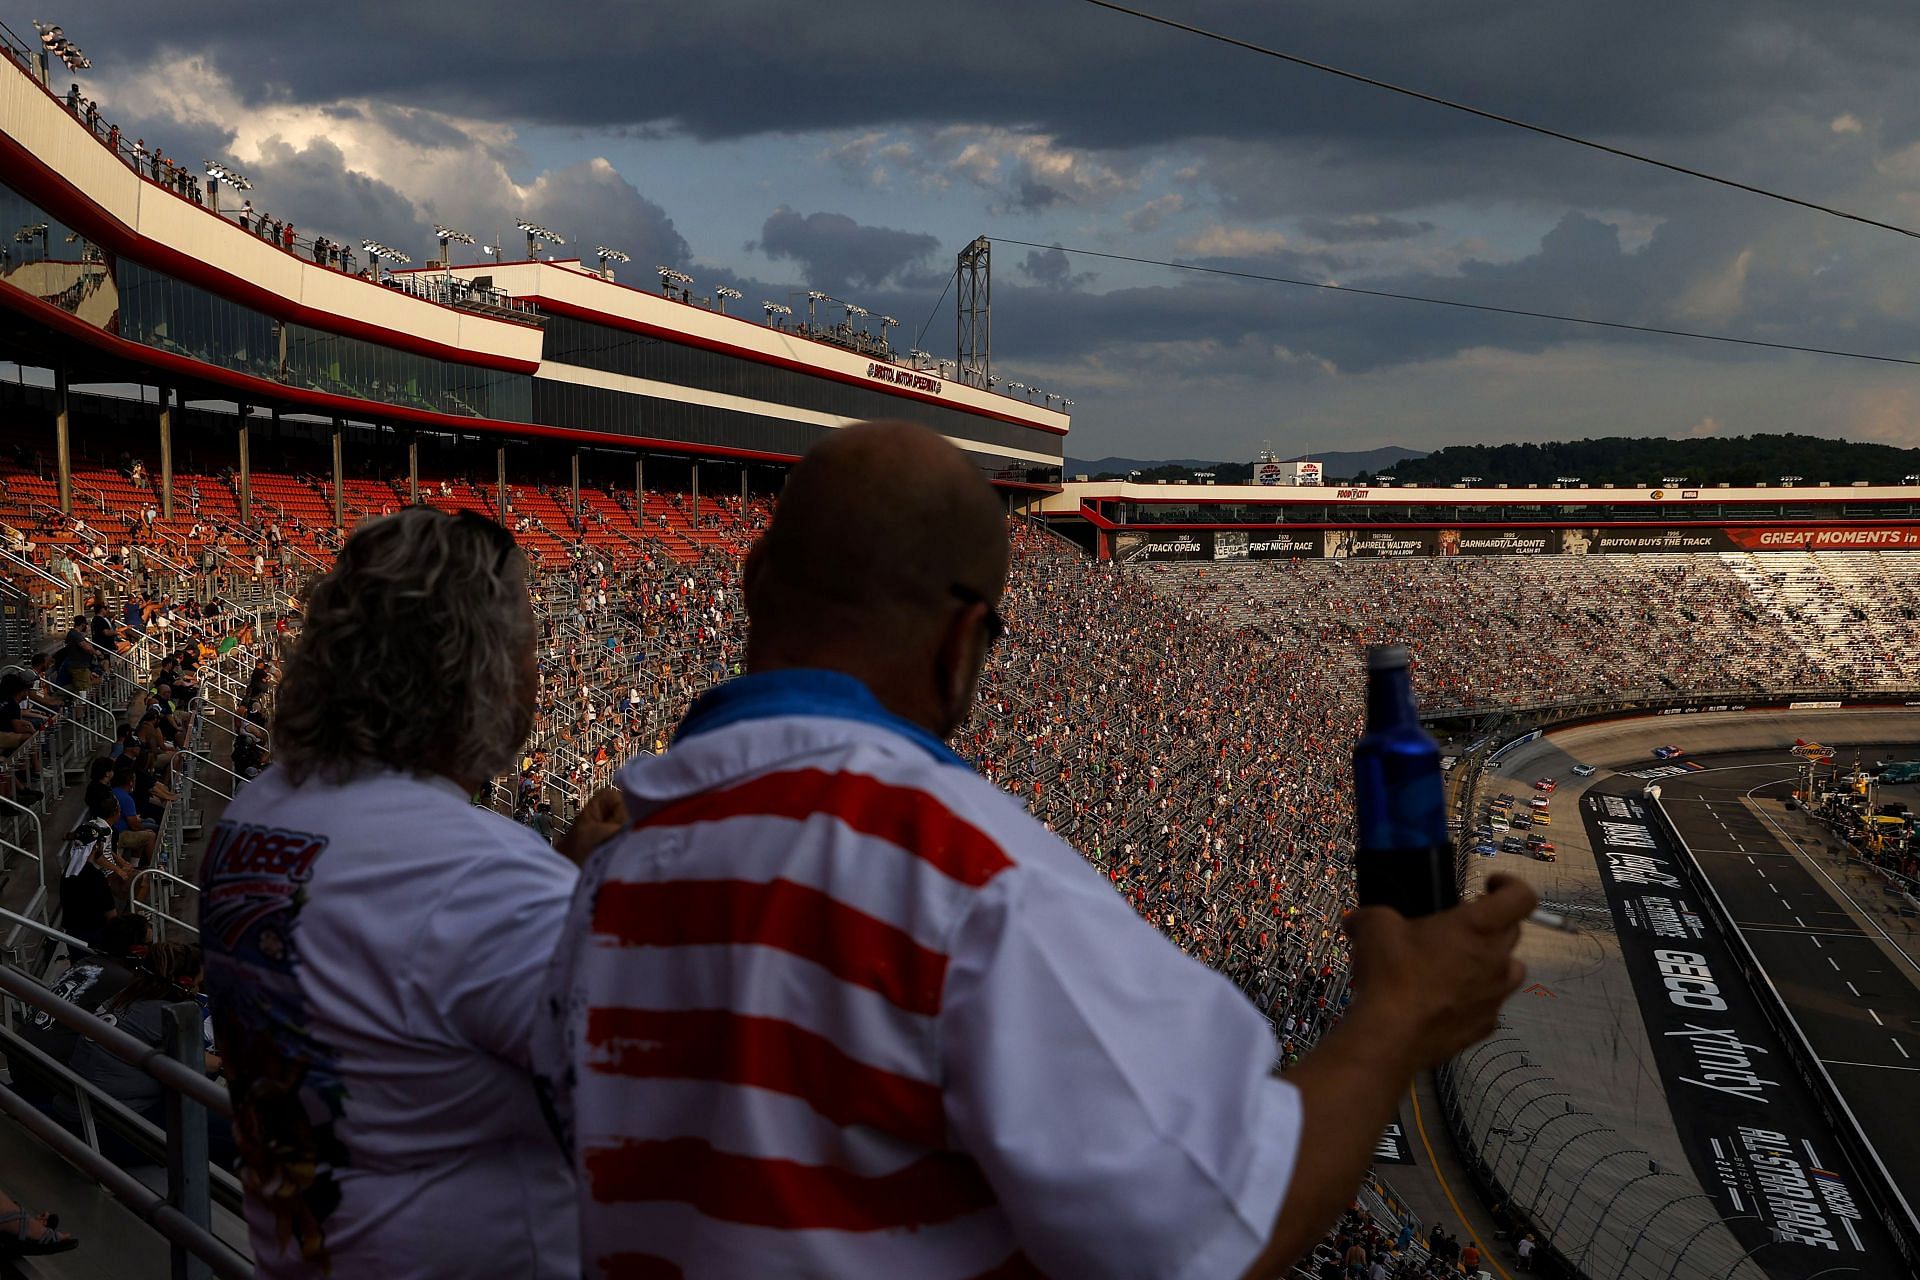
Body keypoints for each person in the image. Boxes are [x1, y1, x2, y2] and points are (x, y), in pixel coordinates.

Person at [540, 422, 1535, 1279]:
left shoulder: (610, 877)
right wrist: (1399, 1016)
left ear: (754, 583)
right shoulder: (966, 878)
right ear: (963, 640)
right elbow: (1213, 1226)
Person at [200, 507, 593, 1280]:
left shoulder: (257, 809)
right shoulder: (487, 879)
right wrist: (594, 900)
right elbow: (650, 1123)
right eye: (527, 645)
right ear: (475, 665)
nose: (538, 673)